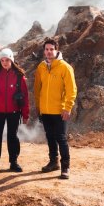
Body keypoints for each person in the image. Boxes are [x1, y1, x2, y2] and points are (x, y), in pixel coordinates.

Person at [34, 37, 77, 180]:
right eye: (46, 49)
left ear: (56, 50)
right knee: (50, 138)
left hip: (60, 110)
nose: (49, 52)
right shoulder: (41, 67)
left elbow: (72, 89)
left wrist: (67, 107)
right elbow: (37, 89)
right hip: (45, 111)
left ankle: (65, 167)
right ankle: (53, 162)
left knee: (61, 138)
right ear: (44, 51)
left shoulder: (65, 67)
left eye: (51, 49)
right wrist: (39, 108)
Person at [0, 47, 30, 176]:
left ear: (12, 60)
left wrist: (25, 114)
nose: (4, 62)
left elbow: (25, 96)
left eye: (7, 60)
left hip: (14, 112)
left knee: (12, 137)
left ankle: (13, 162)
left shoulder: (19, 76)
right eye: (2, 60)